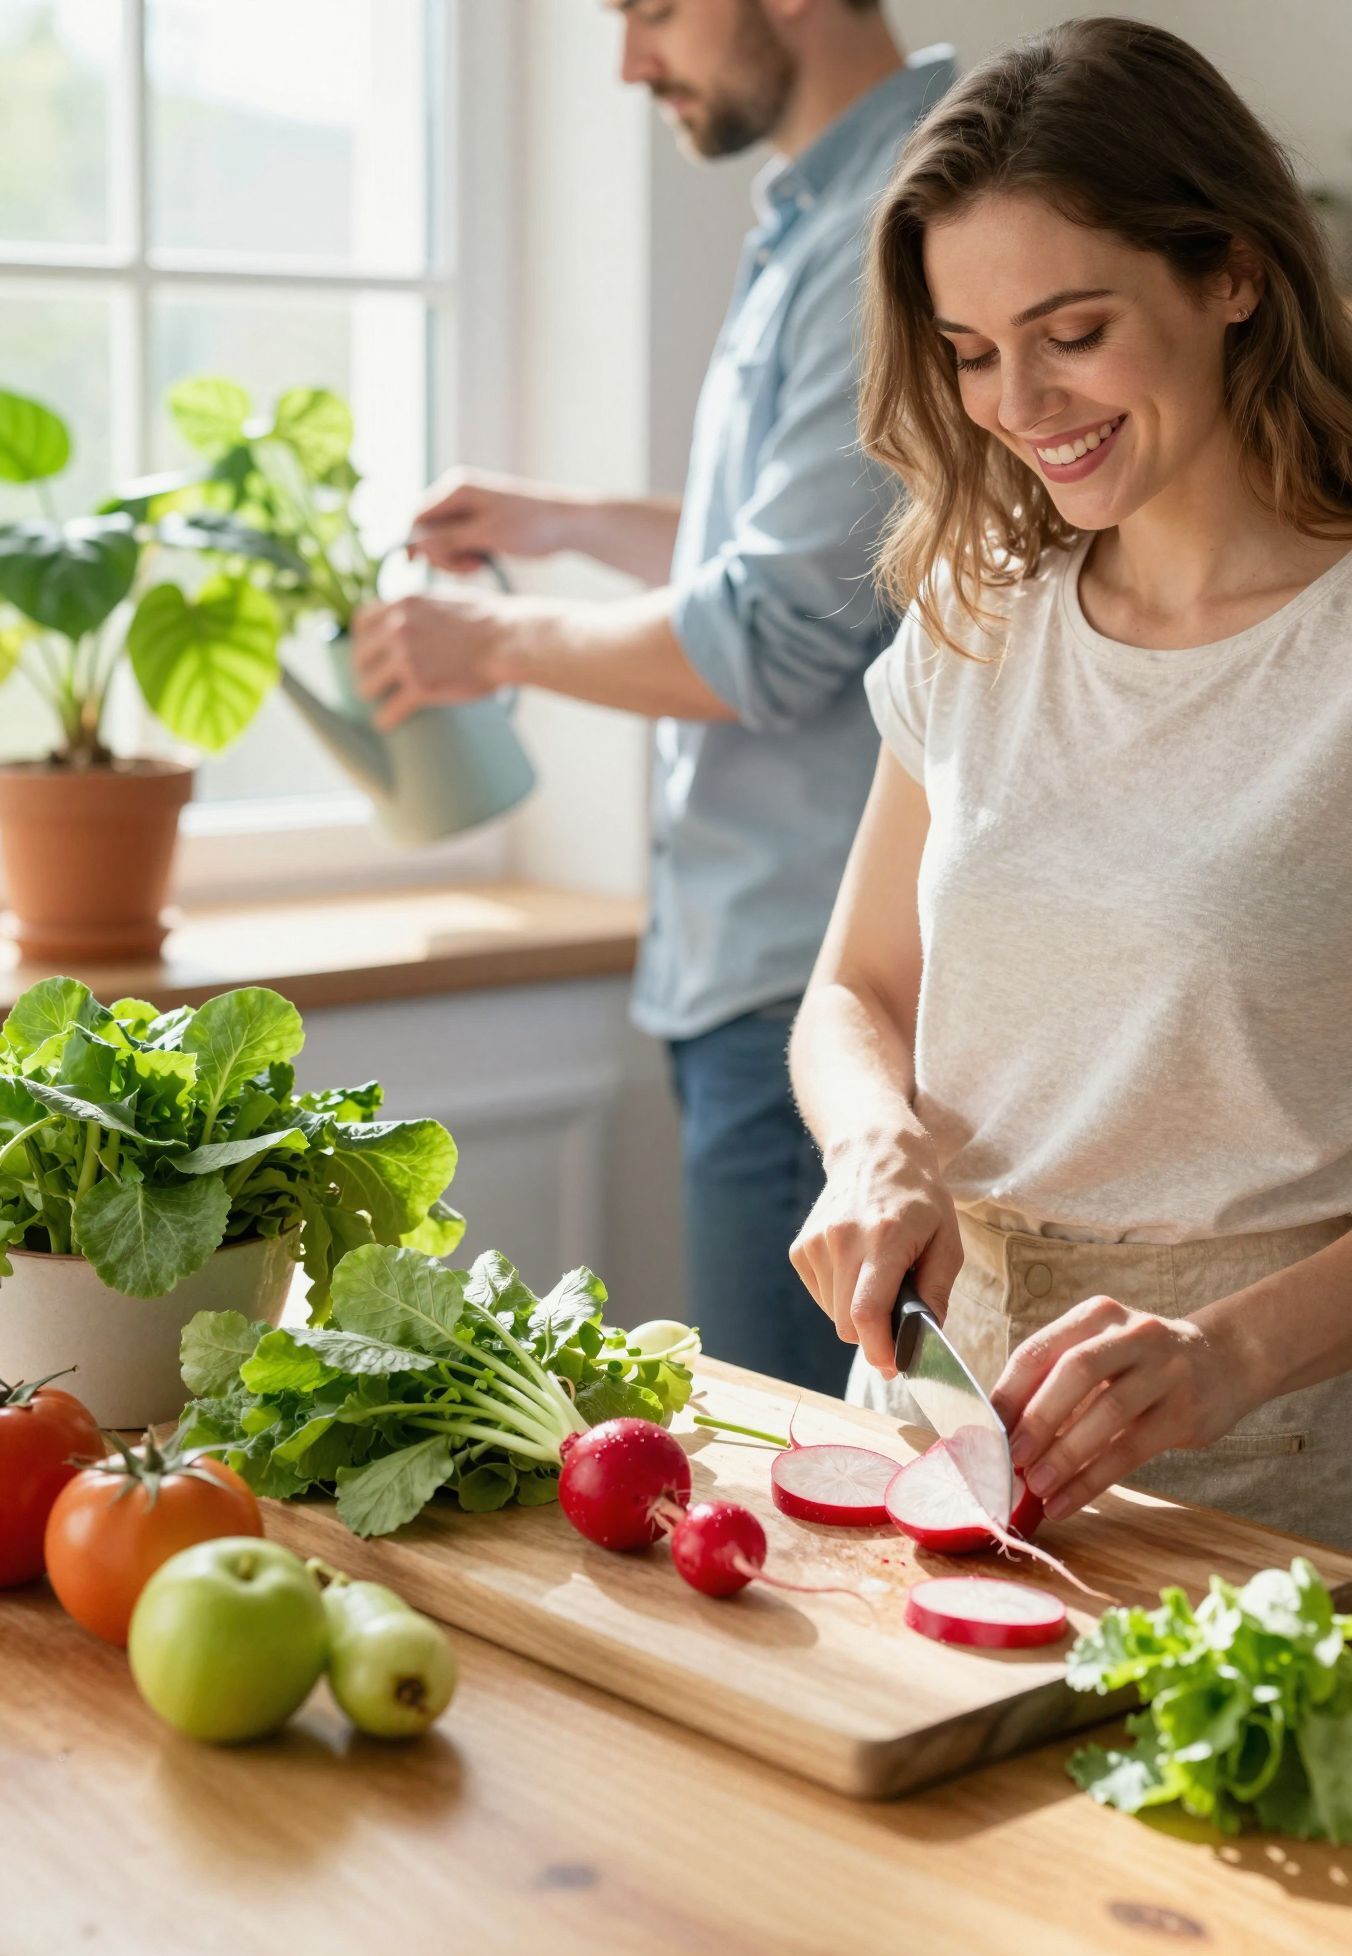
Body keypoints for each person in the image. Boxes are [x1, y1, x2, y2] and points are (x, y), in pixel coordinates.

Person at [787, 16, 1352, 1584]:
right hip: (949, 1416)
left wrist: (1223, 1356)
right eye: (970, 351)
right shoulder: (975, 613)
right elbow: (855, 993)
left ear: (1233, 274)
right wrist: (872, 1146)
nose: (1017, 401)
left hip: (1287, 1458)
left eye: (1071, 331)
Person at [352, 2, 955, 1396]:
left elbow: (774, 632)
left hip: (811, 988)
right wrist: (566, 522)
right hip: (754, 969)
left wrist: (491, 642)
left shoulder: (897, 217)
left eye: (654, 10)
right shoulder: (816, 209)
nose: (631, 65)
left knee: (804, 1465)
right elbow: (818, 562)